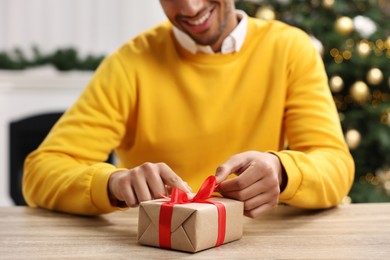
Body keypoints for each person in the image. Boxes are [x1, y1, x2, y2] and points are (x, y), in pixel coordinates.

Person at [23, 0, 354, 218]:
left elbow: (336, 165)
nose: (191, 7)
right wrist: (115, 184)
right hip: (153, 247)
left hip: (253, 244)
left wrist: (283, 171)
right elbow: (40, 172)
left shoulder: (289, 49)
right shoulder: (130, 64)